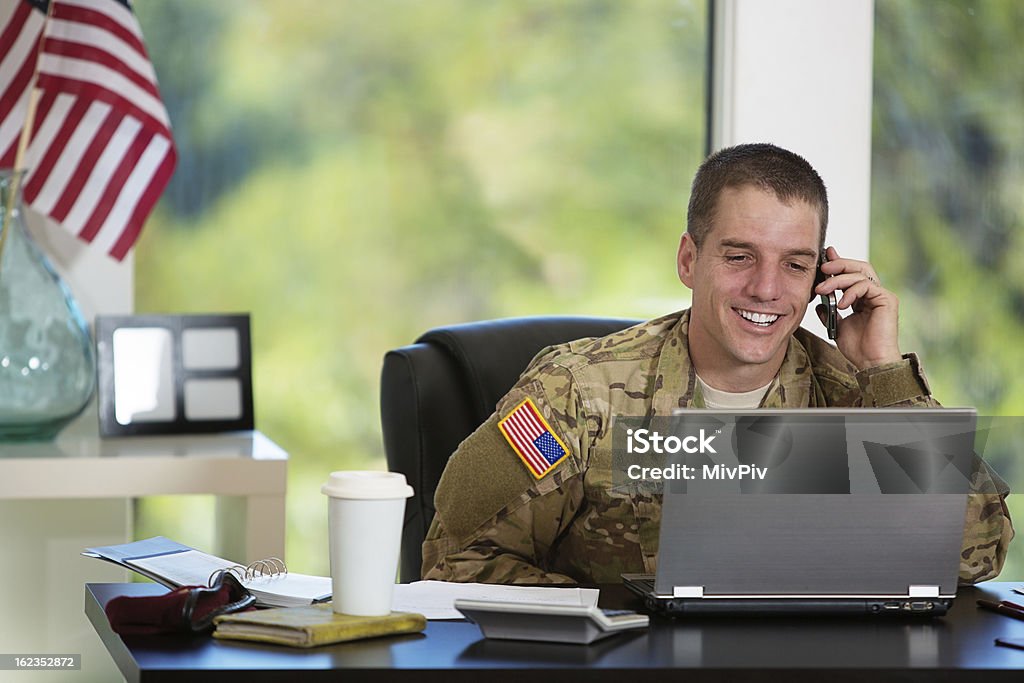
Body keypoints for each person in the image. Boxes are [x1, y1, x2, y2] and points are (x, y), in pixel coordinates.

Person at [421, 143, 1013, 585]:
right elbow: (454, 558)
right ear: (688, 260)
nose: (765, 289)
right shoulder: (579, 391)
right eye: (739, 256)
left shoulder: (851, 394)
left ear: (820, 281)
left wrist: (884, 375)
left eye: (794, 265)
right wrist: (617, 624)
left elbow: (977, 554)